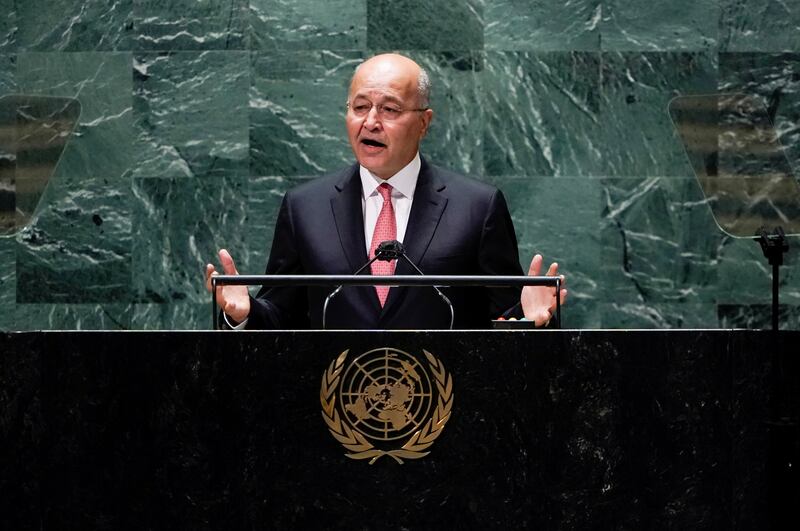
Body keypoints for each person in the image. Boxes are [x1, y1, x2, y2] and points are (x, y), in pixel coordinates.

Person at [205, 53, 566, 329]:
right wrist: (245, 313)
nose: (371, 121)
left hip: (442, 410)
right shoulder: (305, 207)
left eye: (389, 108)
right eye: (360, 107)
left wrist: (531, 319)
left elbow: (503, 321)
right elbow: (283, 315)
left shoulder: (477, 207)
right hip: (336, 411)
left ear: (424, 122)